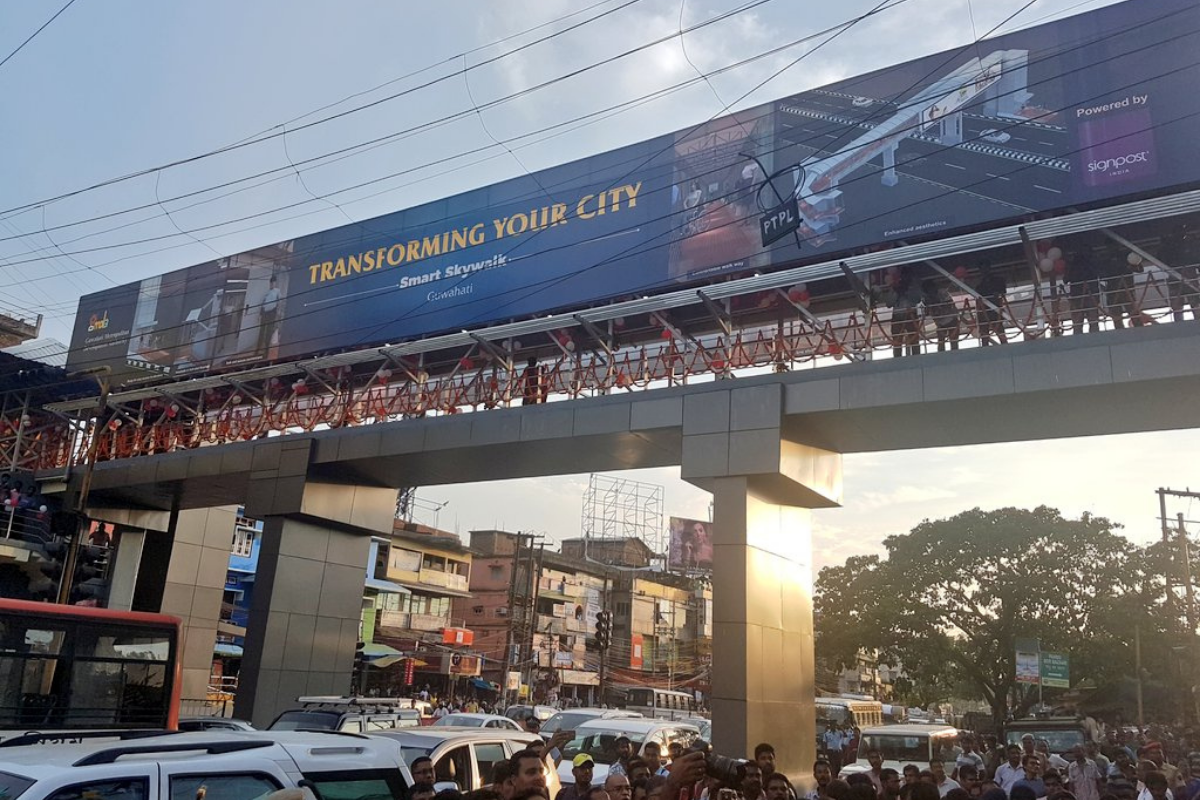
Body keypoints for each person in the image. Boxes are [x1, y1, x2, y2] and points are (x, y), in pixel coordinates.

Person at [975, 261, 1008, 346]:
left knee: (1000, 331)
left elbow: (1003, 292)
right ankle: (986, 351)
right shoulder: (979, 285)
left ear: (989, 268)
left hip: (995, 309)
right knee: (984, 335)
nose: (984, 271)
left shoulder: (998, 281)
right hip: (984, 312)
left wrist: (997, 294)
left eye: (985, 268)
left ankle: (1006, 348)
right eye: (982, 269)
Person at [923, 279, 961, 352]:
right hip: (940, 323)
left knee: (954, 342)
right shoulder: (927, 298)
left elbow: (951, 305)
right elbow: (931, 312)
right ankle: (941, 356)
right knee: (941, 342)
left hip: (951, 319)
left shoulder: (942, 292)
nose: (930, 291)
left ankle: (955, 356)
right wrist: (938, 323)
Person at [257, 275, 282, 353]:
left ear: (275, 283)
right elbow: (263, 303)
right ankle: (258, 348)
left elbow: (279, 302)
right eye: (271, 283)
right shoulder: (267, 292)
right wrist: (260, 314)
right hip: (265, 313)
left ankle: (266, 349)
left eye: (273, 283)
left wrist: (278, 312)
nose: (272, 284)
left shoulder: (277, 291)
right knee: (262, 331)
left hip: (272, 312)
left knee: (269, 331)